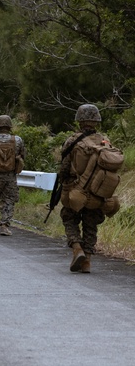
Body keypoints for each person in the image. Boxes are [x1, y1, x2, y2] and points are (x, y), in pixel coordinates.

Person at [59, 104, 117, 273]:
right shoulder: (105, 141)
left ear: (79, 120)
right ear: (96, 121)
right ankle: (87, 261)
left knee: (69, 218)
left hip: (76, 190)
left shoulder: (72, 140)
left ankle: (77, 249)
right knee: (91, 224)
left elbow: (64, 167)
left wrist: (64, 183)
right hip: (97, 192)